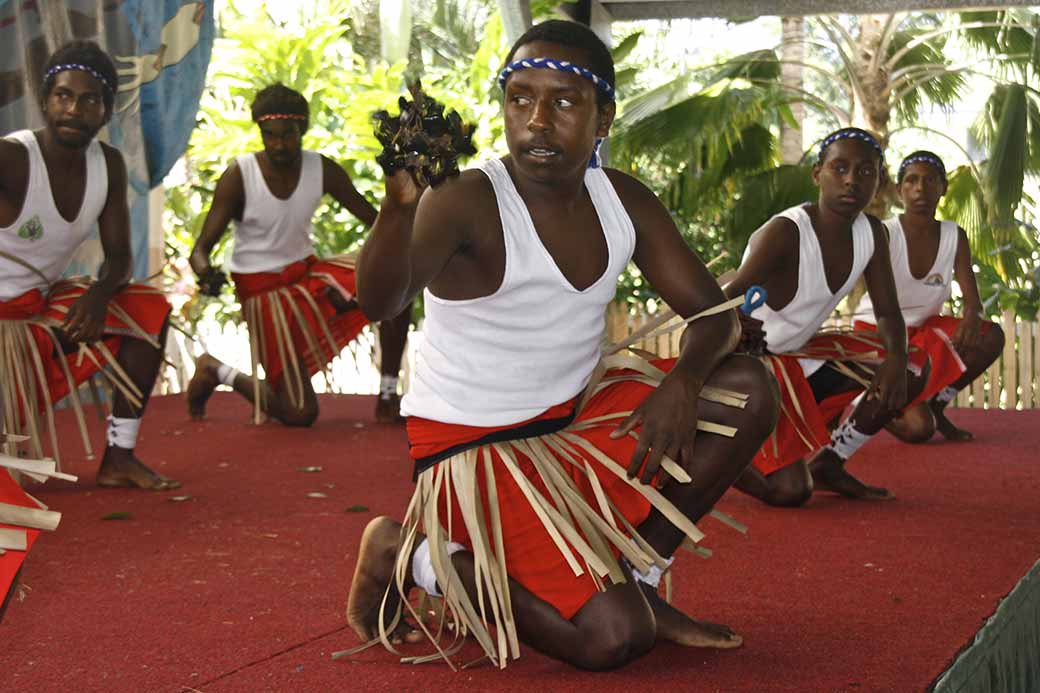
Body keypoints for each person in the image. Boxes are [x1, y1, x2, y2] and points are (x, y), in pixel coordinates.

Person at [344, 20, 778, 671]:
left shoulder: (622, 199)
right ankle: (407, 553)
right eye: (520, 98)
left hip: (576, 424)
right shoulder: (465, 201)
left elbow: (717, 317)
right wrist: (397, 208)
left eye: (564, 102)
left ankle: (641, 572)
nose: (537, 121)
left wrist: (684, 381)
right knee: (613, 639)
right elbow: (380, 302)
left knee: (747, 390)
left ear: (603, 117)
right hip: (477, 455)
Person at [0, 40, 177, 617]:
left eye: (89, 100)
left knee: (148, 308)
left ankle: (119, 456)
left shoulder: (110, 163)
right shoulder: (11, 158)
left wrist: (100, 293)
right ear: (45, 101)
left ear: (107, 109)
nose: (73, 110)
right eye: (62, 97)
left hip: (44, 310)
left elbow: (120, 257)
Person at [725, 128, 936, 507]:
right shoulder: (787, 232)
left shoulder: (871, 233)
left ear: (879, 181)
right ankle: (713, 455)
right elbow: (722, 302)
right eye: (840, 168)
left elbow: (887, 312)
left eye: (865, 172)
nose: (852, 180)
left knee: (911, 369)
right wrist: (738, 324)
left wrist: (896, 357)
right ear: (817, 173)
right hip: (756, 372)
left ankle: (830, 462)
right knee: (790, 492)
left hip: (800, 358)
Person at [186, 84, 412, 426]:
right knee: (299, 412)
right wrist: (207, 274)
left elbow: (376, 222)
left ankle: (387, 394)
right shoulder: (240, 174)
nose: (278, 144)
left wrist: (406, 194)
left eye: (288, 134)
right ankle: (216, 370)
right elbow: (200, 250)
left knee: (399, 280)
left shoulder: (322, 169)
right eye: (270, 135)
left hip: (308, 278)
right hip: (263, 295)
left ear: (302, 129)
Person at [855, 151, 1004, 442]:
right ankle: (872, 404)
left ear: (943, 188)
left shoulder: (954, 235)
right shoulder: (884, 232)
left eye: (929, 180)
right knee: (919, 429)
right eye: (911, 181)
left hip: (923, 331)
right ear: (899, 191)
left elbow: (972, 300)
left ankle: (937, 405)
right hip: (877, 335)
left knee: (991, 336)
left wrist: (973, 316)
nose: (920, 188)